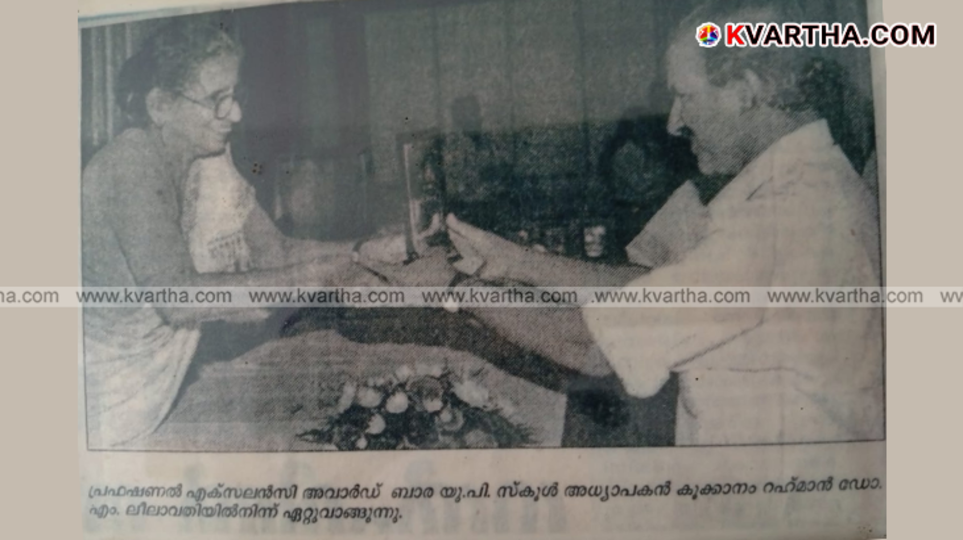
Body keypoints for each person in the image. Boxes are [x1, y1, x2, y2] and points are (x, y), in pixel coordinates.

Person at [388, 0, 883, 446]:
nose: (673, 121)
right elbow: (653, 290)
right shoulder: (809, 183)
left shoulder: (784, 213)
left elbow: (593, 346)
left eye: (686, 95)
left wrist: (452, 287)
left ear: (746, 91)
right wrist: (514, 262)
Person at [82, 19, 401, 448]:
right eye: (217, 100)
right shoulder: (130, 164)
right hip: (99, 402)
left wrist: (364, 250)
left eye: (236, 96)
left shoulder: (208, 157)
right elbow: (179, 298)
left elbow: (277, 251)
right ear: (160, 105)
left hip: (158, 391)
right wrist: (327, 272)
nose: (235, 114)